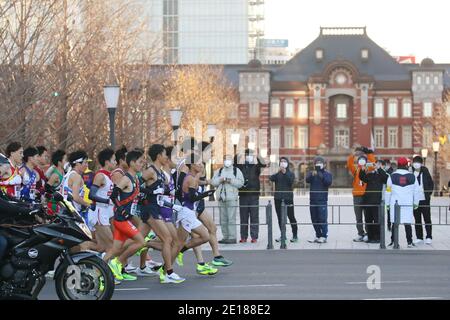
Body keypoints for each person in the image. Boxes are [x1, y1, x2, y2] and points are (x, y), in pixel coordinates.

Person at [140, 144, 185, 283]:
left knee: (139, 241)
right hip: (150, 209)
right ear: (158, 156)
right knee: (168, 240)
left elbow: (162, 194)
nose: (166, 157)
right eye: (165, 154)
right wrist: (151, 192)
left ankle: (118, 259)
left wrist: (171, 202)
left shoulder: (159, 172)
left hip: (157, 209)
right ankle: (167, 273)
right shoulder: (151, 170)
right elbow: (135, 186)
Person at [103, 150, 149, 282]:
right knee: (141, 242)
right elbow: (113, 195)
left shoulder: (135, 179)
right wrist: (122, 210)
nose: (142, 164)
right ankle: (117, 262)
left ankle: (98, 269)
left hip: (124, 219)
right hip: (122, 219)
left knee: (115, 249)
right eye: (140, 162)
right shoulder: (126, 179)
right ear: (132, 163)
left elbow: (134, 196)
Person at [385, 157, 421, 248]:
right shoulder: (412, 176)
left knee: (394, 223)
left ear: (398, 165)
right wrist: (416, 202)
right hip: (407, 203)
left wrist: (387, 203)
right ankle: (409, 242)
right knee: (407, 222)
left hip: (395, 203)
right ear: (406, 165)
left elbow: (388, 191)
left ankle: (393, 241)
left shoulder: (392, 176)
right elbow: (417, 191)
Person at [211, 154, 245, 244]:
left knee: (231, 218)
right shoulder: (219, 171)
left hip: (232, 197)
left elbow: (241, 183)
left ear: (232, 161)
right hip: (221, 198)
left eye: (229, 159)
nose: (227, 161)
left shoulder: (236, 171)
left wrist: (230, 180)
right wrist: (220, 180)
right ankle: (225, 236)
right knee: (223, 218)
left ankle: (232, 237)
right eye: (225, 159)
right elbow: (213, 182)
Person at [88, 148, 117, 253]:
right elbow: (91, 195)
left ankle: (82, 251)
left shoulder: (109, 176)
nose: (116, 162)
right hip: (98, 212)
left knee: (101, 247)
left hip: (104, 213)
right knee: (112, 244)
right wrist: (107, 201)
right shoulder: (100, 176)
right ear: (107, 162)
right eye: (114, 160)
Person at [235, 149, 267, 243]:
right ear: (245, 156)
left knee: (254, 217)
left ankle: (254, 237)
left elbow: (263, 164)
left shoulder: (256, 167)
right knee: (243, 217)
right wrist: (238, 155)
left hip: (254, 195)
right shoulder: (241, 167)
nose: (249, 156)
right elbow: (234, 164)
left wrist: (258, 155)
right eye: (247, 154)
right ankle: (243, 237)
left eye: (250, 155)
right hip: (243, 195)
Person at [347, 147, 376, 242]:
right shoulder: (355, 170)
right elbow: (349, 164)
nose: (362, 161)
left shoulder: (368, 169)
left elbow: (373, 162)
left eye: (364, 160)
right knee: (358, 217)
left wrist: (368, 153)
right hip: (357, 196)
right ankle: (360, 233)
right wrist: (353, 154)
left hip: (366, 196)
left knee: (367, 216)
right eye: (360, 160)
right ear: (358, 162)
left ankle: (368, 233)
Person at [359, 159, 389, 243]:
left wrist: (379, 169)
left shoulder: (384, 174)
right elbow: (363, 178)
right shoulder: (371, 174)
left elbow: (385, 178)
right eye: (376, 164)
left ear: (382, 166)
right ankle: (370, 237)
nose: (376, 166)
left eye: (379, 164)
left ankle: (377, 237)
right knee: (368, 220)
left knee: (377, 220)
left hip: (377, 201)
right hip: (367, 201)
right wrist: (362, 169)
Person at [270, 157, 298, 243]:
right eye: (281, 162)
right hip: (278, 198)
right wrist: (279, 172)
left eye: (284, 161)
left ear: (287, 163)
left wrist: (285, 173)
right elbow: (271, 178)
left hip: (288, 198)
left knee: (291, 217)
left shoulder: (291, 174)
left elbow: (291, 182)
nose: (282, 163)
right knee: (280, 218)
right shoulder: (278, 174)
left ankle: (295, 235)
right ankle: (283, 235)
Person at [306, 156, 332, 243]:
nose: (318, 164)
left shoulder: (327, 174)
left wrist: (320, 174)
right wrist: (311, 175)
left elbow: (328, 182)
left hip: (322, 200)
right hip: (312, 200)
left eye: (320, 163)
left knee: (322, 218)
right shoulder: (312, 173)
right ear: (314, 165)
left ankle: (324, 236)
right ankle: (318, 235)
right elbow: (307, 180)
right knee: (314, 218)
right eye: (317, 163)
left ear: (324, 165)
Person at [412, 156, 434, 245]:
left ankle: (429, 236)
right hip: (415, 200)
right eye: (415, 162)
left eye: (418, 162)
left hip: (424, 199)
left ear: (421, 163)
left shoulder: (425, 171)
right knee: (417, 219)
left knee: (427, 218)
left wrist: (428, 194)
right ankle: (419, 237)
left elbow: (430, 183)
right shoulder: (410, 172)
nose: (416, 164)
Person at [45, 150, 67, 215]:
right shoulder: (55, 175)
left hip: (61, 205)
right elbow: (46, 189)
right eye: (65, 160)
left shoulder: (64, 173)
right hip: (53, 206)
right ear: (59, 162)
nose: (66, 162)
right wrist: (54, 194)